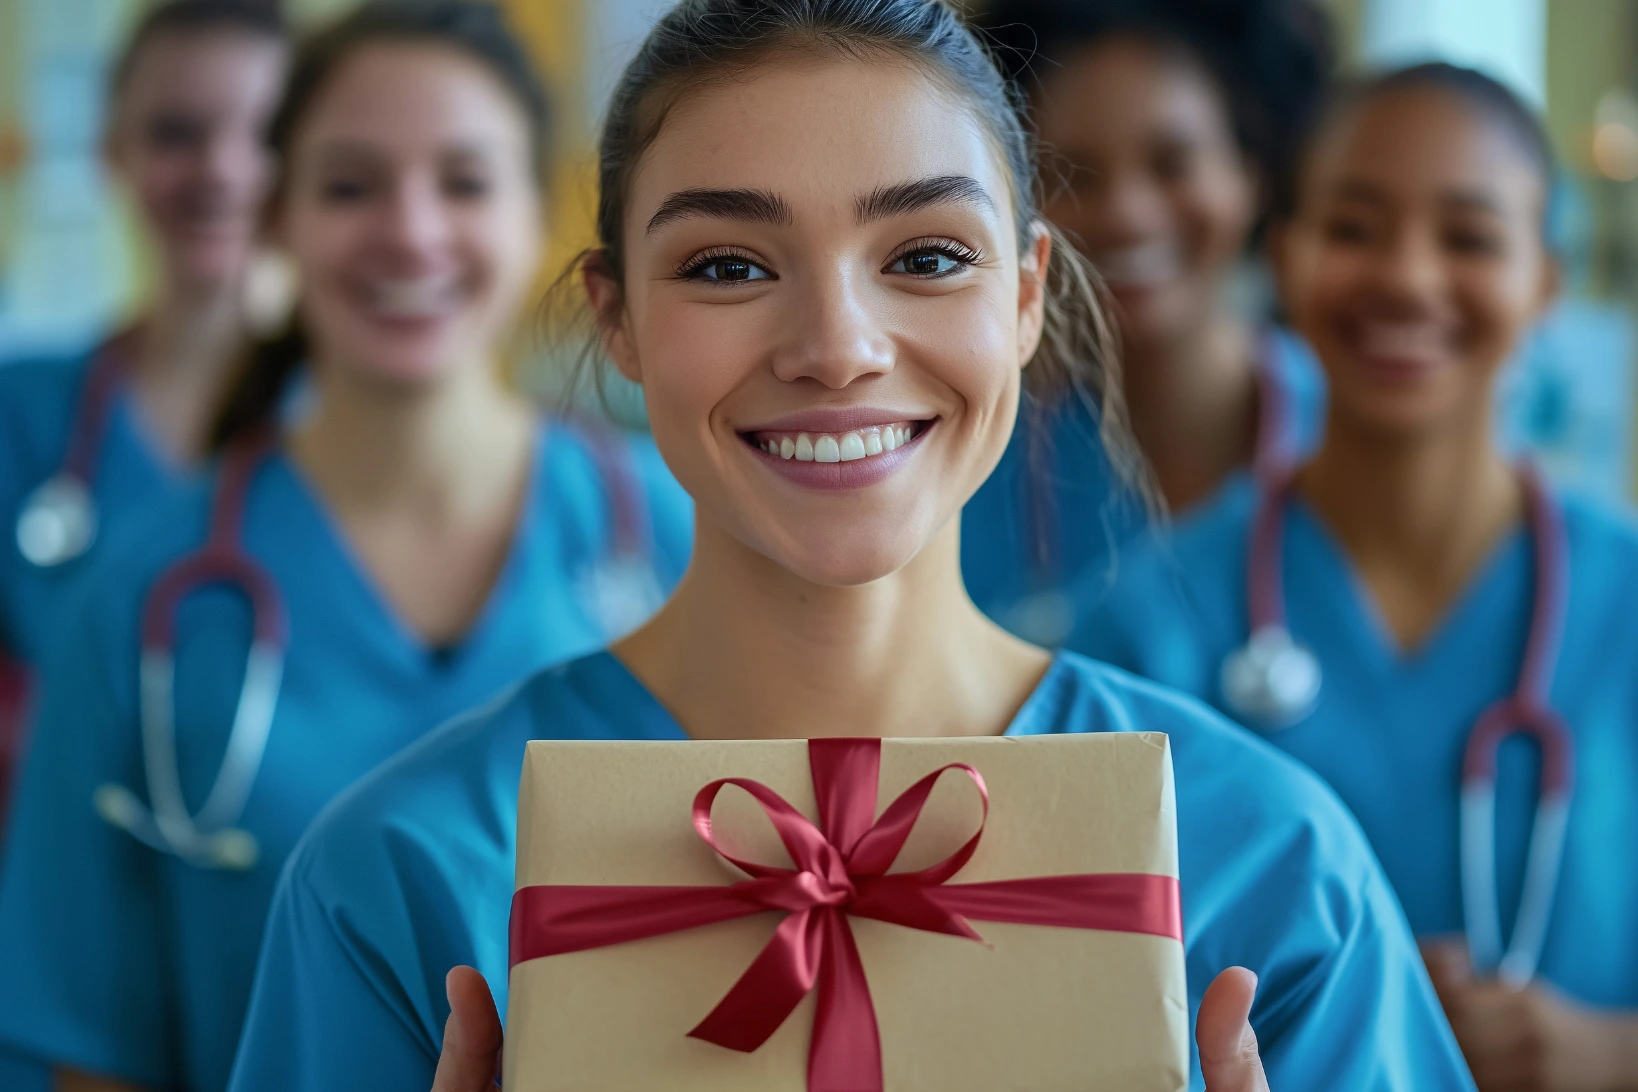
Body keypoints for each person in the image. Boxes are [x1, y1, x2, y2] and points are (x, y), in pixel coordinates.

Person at [224, 4, 1474, 1090]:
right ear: (619, 319)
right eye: (726, 265)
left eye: (928, 256)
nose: (836, 345)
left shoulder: (1264, 863)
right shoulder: (403, 881)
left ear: (1027, 296)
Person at [0, 4, 691, 1091]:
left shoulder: (676, 535)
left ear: (538, 212)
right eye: (351, 184)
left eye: (463, 181)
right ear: (275, 219)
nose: (411, 232)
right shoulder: (140, 597)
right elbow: (92, 1050)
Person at [1069, 64, 1638, 1090]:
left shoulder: (1624, 602)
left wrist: (1609, 1054)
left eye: (1468, 238)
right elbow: (1080, 994)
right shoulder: (1145, 625)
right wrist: (1346, 1023)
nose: (1408, 278)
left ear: (1546, 281)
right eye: (1354, 228)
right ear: (1282, 255)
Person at [958, 0, 1333, 645]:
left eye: (1173, 163)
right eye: (1074, 174)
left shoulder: (1347, 433)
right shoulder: (964, 459)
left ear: (1254, 171)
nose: (1128, 214)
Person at [0, 0, 287, 814]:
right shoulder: (19, 415)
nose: (221, 169)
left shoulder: (354, 425)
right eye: (174, 133)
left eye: (262, 134)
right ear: (110, 152)